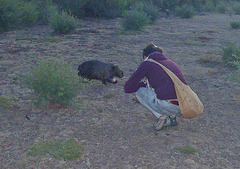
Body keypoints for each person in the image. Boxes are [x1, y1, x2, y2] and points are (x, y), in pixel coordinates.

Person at [124, 43, 188, 131]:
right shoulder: (170, 62)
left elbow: (128, 88)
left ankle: (162, 117)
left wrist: (143, 84)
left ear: (145, 56)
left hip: (167, 106)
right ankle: (172, 116)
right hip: (183, 105)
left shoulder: (147, 63)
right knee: (163, 88)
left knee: (139, 91)